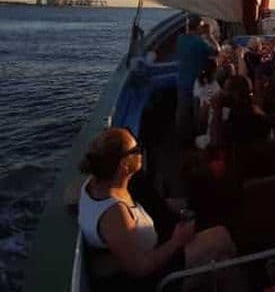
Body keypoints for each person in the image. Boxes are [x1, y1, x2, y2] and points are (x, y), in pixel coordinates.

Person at [77, 128, 236, 290]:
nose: (140, 151)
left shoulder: (95, 183)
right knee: (221, 237)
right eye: (135, 150)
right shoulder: (115, 213)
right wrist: (176, 241)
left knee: (221, 258)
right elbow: (139, 268)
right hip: (156, 275)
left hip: (157, 248)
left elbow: (71, 195)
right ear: (123, 165)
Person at [175, 15, 218, 144]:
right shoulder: (200, 42)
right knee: (198, 112)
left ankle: (181, 138)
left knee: (182, 110)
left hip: (182, 80)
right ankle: (197, 138)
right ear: (199, 27)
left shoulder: (180, 39)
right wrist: (210, 36)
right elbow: (217, 52)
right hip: (197, 82)